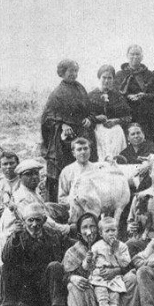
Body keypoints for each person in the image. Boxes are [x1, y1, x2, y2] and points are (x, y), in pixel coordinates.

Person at [60, 213, 141, 306]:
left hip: (114, 285)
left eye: (92, 226)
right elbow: (64, 274)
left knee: (131, 278)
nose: (89, 231)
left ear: (98, 230)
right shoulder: (73, 251)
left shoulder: (112, 245)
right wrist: (73, 278)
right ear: (79, 232)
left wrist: (115, 271)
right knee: (73, 287)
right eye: (84, 227)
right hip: (92, 294)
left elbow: (127, 264)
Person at [0, 203, 68, 306]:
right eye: (30, 220)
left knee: (55, 266)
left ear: (44, 221)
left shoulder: (54, 235)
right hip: (26, 290)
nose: (34, 224)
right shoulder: (18, 236)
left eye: (38, 220)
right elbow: (6, 258)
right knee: (6, 267)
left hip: (47, 290)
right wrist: (15, 238)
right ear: (24, 221)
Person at [41, 59, 97, 201]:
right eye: (70, 71)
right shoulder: (57, 94)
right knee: (66, 173)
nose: (74, 74)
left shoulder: (80, 88)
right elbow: (47, 118)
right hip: (65, 143)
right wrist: (62, 126)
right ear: (62, 72)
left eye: (75, 71)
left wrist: (89, 119)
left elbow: (90, 110)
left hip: (83, 135)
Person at [0, 160, 71, 255]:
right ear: (20, 178)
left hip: (30, 230)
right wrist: (66, 229)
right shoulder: (23, 197)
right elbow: (40, 222)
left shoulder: (32, 191)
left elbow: (44, 214)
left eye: (36, 173)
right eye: (28, 174)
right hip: (14, 240)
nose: (34, 177)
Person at [83, 217, 131, 306]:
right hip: (99, 278)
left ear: (118, 231)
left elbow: (125, 264)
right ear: (101, 233)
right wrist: (88, 259)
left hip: (114, 278)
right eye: (107, 231)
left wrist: (116, 252)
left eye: (113, 230)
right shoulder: (96, 246)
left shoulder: (122, 246)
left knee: (114, 301)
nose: (111, 233)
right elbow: (87, 267)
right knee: (103, 298)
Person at [118, 45, 154, 147]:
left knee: (152, 145)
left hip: (150, 117)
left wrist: (144, 95)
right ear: (127, 56)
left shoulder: (149, 74)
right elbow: (116, 95)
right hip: (130, 116)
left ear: (142, 56)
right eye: (132, 54)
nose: (135, 57)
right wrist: (127, 97)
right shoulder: (120, 75)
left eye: (138, 54)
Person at [88, 64, 132, 160]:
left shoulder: (118, 96)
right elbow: (85, 117)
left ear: (113, 79)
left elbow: (128, 116)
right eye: (104, 78)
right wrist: (96, 118)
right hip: (97, 132)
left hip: (116, 132)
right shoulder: (90, 96)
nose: (107, 81)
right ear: (99, 78)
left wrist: (116, 121)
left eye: (110, 78)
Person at [57, 137, 97, 206]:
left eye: (85, 148)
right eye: (79, 149)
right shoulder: (67, 171)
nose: (83, 152)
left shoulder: (97, 169)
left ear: (90, 150)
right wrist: (76, 200)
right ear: (73, 153)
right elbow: (61, 199)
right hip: (75, 211)